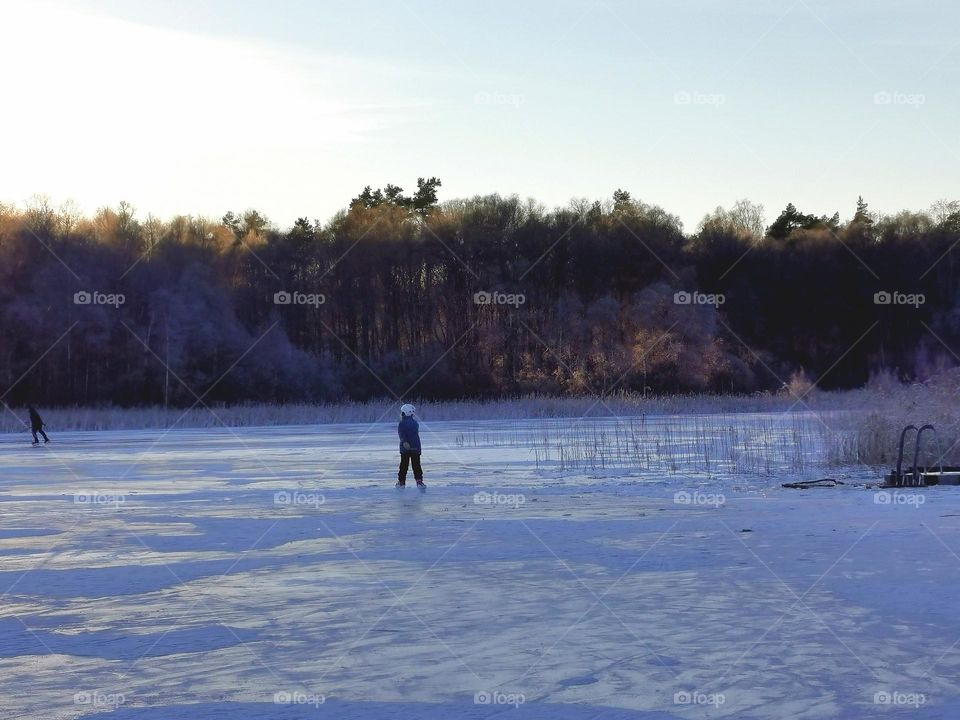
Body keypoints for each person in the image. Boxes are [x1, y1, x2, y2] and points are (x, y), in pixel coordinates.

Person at [397, 403, 424, 488]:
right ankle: (419, 481)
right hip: (415, 448)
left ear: (404, 413)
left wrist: (404, 442)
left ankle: (401, 482)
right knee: (416, 465)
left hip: (405, 449)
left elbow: (401, 434)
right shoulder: (415, 423)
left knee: (403, 466)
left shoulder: (402, 423)